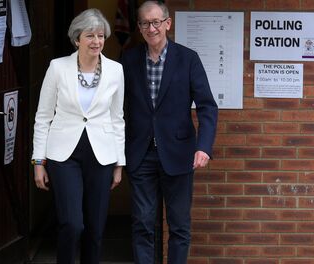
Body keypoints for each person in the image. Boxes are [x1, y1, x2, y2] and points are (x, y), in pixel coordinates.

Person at [120, 1, 218, 263]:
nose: (151, 28)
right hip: (140, 155)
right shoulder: (128, 61)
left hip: (179, 154)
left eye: (156, 22)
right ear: (139, 27)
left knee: (179, 227)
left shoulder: (188, 59)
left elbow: (208, 106)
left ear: (168, 23)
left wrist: (203, 146)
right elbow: (115, 109)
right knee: (142, 223)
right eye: (144, 23)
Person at [31, 8, 125, 264]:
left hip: (102, 155)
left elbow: (117, 118)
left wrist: (119, 164)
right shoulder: (57, 67)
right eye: (90, 35)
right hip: (64, 155)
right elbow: (42, 116)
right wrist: (38, 162)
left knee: (95, 227)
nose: (97, 41)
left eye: (101, 35)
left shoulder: (116, 70)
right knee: (72, 224)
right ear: (77, 39)